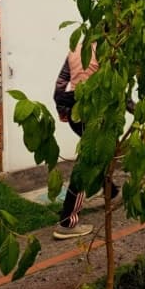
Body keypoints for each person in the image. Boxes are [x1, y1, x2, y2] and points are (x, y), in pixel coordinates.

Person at [51, 43, 103, 240]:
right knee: (86, 164)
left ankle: (110, 190)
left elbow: (60, 84)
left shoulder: (76, 48)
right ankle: (67, 222)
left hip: (75, 109)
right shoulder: (108, 48)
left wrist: (62, 109)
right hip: (93, 110)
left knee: (101, 152)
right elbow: (116, 85)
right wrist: (136, 110)